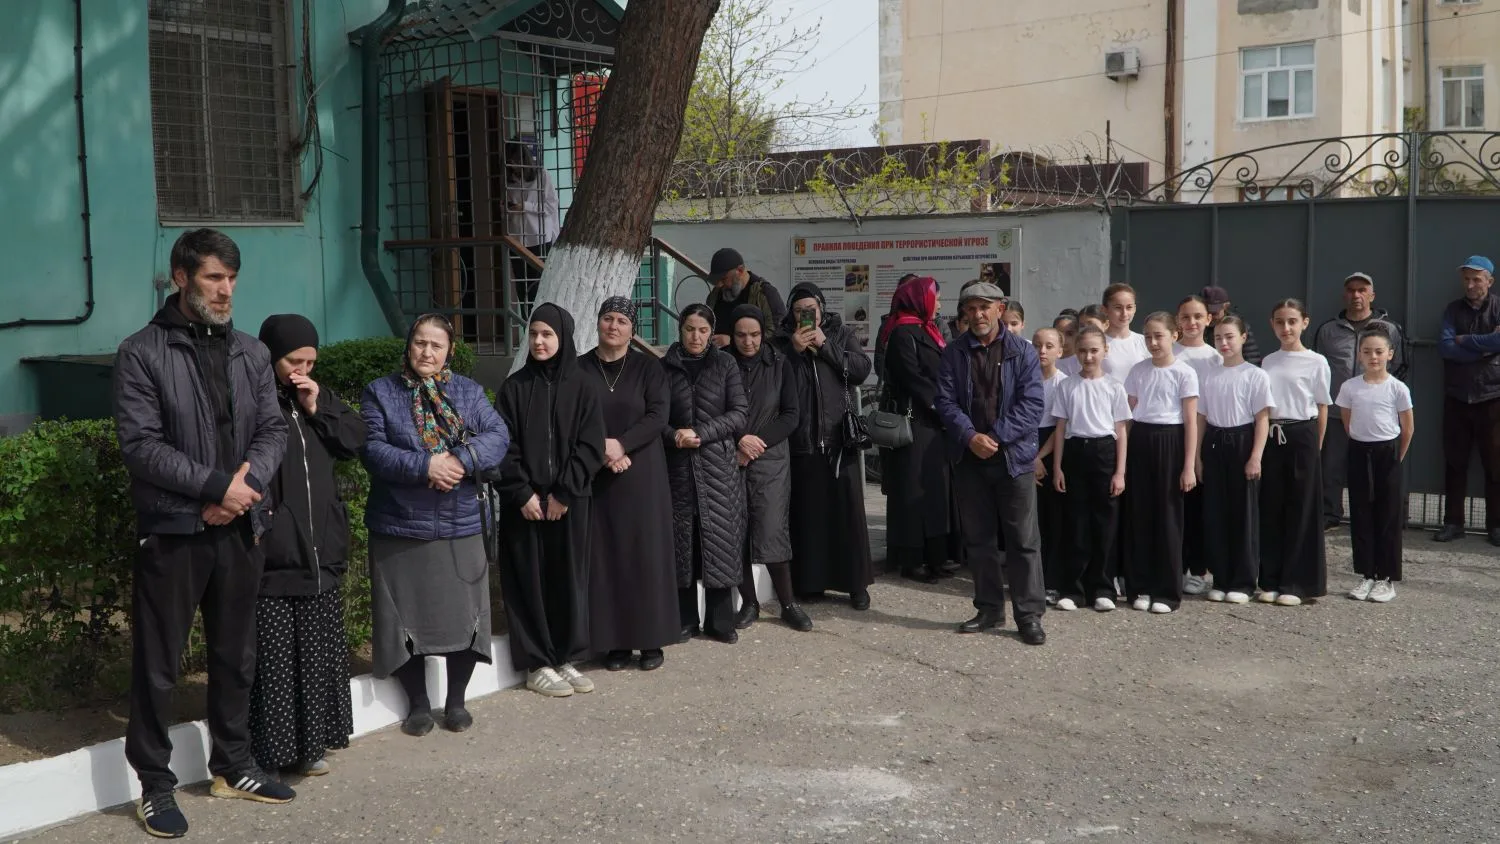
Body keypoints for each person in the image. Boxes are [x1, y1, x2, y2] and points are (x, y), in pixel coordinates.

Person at [113, 229, 292, 837]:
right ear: (181, 277)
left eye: (232, 279)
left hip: (241, 526)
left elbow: (273, 430)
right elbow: (141, 446)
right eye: (215, 277)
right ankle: (155, 785)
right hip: (174, 532)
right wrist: (217, 488)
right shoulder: (142, 351)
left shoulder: (251, 351)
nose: (226, 290)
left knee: (236, 656)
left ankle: (234, 763)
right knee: (159, 664)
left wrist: (243, 488)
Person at [361, 314, 510, 728]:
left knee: (464, 616)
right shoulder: (380, 393)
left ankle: (457, 701)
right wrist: (426, 466)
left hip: (460, 524)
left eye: (436, 345)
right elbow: (373, 449)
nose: (427, 352)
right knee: (406, 617)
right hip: (400, 525)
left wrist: (458, 462)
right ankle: (418, 703)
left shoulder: (467, 391)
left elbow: (497, 436)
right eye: (420, 343)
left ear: (449, 352)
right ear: (409, 346)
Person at [250, 314, 366, 780]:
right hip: (277, 555)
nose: (301, 369)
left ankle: (312, 743)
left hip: (322, 551)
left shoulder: (314, 398)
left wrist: (319, 407)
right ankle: (273, 753)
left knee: (317, 655)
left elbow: (355, 441)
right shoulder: (255, 403)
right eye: (293, 361)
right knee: (277, 661)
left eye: (310, 361)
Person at [495, 304, 606, 696]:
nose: (539, 342)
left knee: (567, 579)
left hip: (568, 504)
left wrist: (563, 492)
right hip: (523, 506)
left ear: (564, 338)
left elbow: (591, 446)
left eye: (548, 334)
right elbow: (501, 447)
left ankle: (564, 656)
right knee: (528, 580)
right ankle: (536, 663)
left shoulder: (583, 386)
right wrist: (521, 492)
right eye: (534, 334)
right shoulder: (515, 387)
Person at [934, 281, 1048, 645]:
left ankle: (1028, 615)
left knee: (1023, 541)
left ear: (1000, 309)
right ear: (965, 313)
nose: (978, 314)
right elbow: (945, 402)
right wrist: (970, 437)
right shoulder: (954, 352)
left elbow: (1032, 405)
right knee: (979, 540)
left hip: (1013, 458)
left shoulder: (1023, 352)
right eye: (972, 308)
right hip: (970, 459)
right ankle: (988, 608)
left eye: (985, 307)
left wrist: (995, 437)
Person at [580, 298, 678, 672]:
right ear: (598, 323)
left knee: (644, 556)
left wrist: (622, 444)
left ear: (632, 329)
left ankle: (650, 640)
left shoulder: (648, 368)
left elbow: (658, 415)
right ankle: (615, 643)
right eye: (608, 318)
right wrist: (604, 448)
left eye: (622, 320)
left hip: (642, 473)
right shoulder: (580, 368)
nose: (614, 326)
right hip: (597, 474)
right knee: (607, 560)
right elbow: (573, 416)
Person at [775, 283, 876, 609]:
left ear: (821, 309)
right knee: (809, 516)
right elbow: (771, 379)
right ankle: (811, 583)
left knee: (847, 515)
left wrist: (825, 345)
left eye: (812, 309)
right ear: (792, 313)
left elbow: (861, 370)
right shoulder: (780, 341)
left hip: (838, 440)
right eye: (799, 310)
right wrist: (793, 350)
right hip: (801, 441)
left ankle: (856, 585)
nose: (807, 315)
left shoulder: (840, 333)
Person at [663, 304, 750, 642]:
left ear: (711, 332)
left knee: (720, 542)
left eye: (702, 330)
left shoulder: (725, 363)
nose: (695, 336)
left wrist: (702, 433)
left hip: (717, 466)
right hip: (678, 467)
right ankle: (685, 619)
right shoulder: (665, 367)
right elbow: (655, 416)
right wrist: (674, 435)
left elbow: (739, 413)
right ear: (680, 330)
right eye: (689, 329)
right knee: (682, 544)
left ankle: (720, 621)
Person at [727, 305, 812, 632]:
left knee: (772, 528)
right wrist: (738, 441)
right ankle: (750, 602)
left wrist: (754, 444)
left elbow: (791, 415)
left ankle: (789, 603)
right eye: (741, 335)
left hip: (771, 459)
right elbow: (711, 407)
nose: (748, 342)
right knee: (737, 532)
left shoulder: (780, 363)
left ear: (764, 334)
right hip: (730, 456)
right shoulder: (723, 363)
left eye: (754, 335)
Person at [1311, 272, 1408, 531]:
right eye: (1351, 290)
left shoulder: (1389, 329)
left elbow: (1399, 366)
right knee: (1330, 465)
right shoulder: (1327, 330)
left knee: (1374, 468)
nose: (1356, 295)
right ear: (1345, 295)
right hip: (1335, 411)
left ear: (1372, 295)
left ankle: (1373, 515)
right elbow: (1317, 368)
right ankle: (1330, 513)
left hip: (1375, 414)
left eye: (1362, 290)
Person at [881, 277, 961, 584]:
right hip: (917, 422)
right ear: (919, 300)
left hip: (934, 424)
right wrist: (942, 407)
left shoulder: (925, 329)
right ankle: (913, 560)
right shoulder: (903, 333)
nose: (939, 304)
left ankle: (937, 556)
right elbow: (913, 378)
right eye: (935, 298)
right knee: (914, 492)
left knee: (935, 492)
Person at [1122, 312, 1198, 615]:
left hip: (1171, 441)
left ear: (1174, 336)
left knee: (1168, 518)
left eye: (1159, 336)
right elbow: (1127, 418)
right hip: (1141, 439)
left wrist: (1189, 465)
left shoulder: (1184, 372)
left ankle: (1166, 591)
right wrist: (1122, 459)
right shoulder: (1138, 371)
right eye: (1149, 337)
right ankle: (1139, 586)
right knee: (1139, 515)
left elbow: (1191, 421)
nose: (1153, 342)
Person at [1050, 326, 1131, 613]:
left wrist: (1120, 472)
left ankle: (1103, 588)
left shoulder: (1113, 387)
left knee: (1105, 523)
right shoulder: (1067, 385)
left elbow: (1121, 431)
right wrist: (1058, 467)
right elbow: (1060, 428)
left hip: (1104, 454)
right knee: (1077, 523)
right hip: (1075, 453)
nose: (1088, 356)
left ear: (1104, 351)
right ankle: (1073, 589)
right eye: (1083, 350)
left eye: (1094, 350)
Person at [1259, 300, 1331, 606]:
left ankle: (1297, 582)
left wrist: (1316, 446)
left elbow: (1322, 405)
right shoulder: (1268, 361)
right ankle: (1271, 579)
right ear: (1272, 324)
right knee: (1272, 508)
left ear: (1304, 322)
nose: (1285, 328)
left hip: (1302, 433)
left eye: (1291, 321)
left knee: (1301, 508)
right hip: (1273, 435)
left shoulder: (1316, 362)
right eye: (1279, 322)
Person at [1198, 315, 1273, 604]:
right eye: (1218, 338)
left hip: (1242, 441)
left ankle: (1242, 582)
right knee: (1216, 513)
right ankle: (1221, 578)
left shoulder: (1255, 375)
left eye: (1229, 336)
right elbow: (1201, 417)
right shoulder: (1209, 375)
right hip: (1215, 443)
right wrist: (1197, 458)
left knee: (1243, 515)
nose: (1224, 343)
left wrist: (1255, 456)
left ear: (1243, 337)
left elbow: (1262, 419)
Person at [1338, 327, 1415, 603]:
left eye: (1379, 352)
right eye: (1367, 351)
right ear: (1359, 355)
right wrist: (1362, 444)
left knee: (1388, 515)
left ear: (1390, 355)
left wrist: (1395, 457)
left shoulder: (1398, 388)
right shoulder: (1350, 387)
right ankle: (1367, 574)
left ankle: (1387, 578)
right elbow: (1348, 422)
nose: (1373, 357)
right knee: (1361, 512)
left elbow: (1407, 428)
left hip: (1388, 453)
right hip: (1360, 451)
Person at [1435, 255, 1500, 545]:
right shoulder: (1452, 310)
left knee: (1495, 465)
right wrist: (1486, 346)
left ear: (1490, 281)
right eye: (1467, 279)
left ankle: (1496, 526)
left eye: (1477, 279)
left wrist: (1466, 341)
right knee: (1454, 463)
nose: (1471, 284)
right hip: (1457, 396)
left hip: (1492, 395)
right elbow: (1447, 348)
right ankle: (1453, 523)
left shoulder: (1499, 308)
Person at [1173, 294, 1221, 596]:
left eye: (1197, 317)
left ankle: (1199, 568)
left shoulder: (1215, 357)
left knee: (1200, 505)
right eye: (1185, 317)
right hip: (1172, 433)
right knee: (1173, 504)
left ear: (1208, 319)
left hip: (1206, 435)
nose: (1191, 323)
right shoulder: (1170, 352)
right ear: (1177, 321)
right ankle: (1174, 564)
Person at [1032, 327, 1069, 605]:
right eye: (1037, 345)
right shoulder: (1026, 381)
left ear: (1060, 350)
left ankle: (1054, 581)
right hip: (1028, 446)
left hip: (1051, 447)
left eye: (1048, 346)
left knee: (1054, 520)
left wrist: (1040, 459)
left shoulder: (1063, 384)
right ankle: (1031, 580)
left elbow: (1060, 427)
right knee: (1030, 522)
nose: (1042, 351)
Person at [505, 141, 560, 314]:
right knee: (522, 290)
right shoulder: (508, 179)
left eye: (514, 160)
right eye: (508, 161)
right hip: (516, 240)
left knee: (539, 288)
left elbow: (551, 206)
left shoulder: (541, 175)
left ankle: (541, 325)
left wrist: (526, 206)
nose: (511, 164)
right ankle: (528, 328)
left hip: (538, 238)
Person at [705, 247, 787, 347]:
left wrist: (733, 341)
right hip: (718, 359)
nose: (719, 284)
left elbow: (778, 334)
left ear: (740, 270)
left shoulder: (765, 293)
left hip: (753, 360)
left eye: (724, 278)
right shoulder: (716, 294)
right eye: (717, 280)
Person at [1201, 286, 1262, 365]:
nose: (1210, 317)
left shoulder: (1239, 325)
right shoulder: (1196, 326)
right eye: (1205, 312)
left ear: (1226, 306)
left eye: (1214, 313)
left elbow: (1252, 357)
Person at [1101, 283, 1149, 382]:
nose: (1124, 313)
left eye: (1129, 307)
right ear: (1105, 310)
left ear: (1134, 309)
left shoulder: (1144, 342)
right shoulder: (1097, 342)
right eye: (1118, 308)